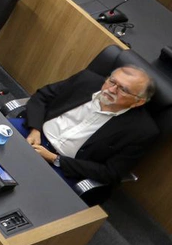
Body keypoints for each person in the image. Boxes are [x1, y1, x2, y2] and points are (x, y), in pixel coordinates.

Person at [17, 65, 159, 186]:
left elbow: (111, 172)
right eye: (112, 81)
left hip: (64, 166)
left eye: (123, 90)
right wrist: (35, 129)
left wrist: (55, 159)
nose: (111, 89)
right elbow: (41, 97)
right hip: (32, 133)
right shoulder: (86, 80)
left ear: (139, 102)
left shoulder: (142, 131)